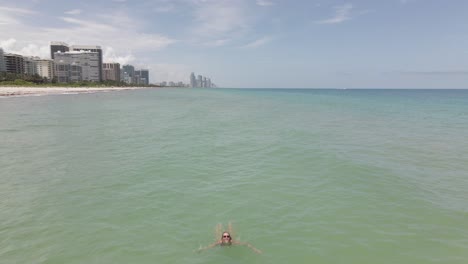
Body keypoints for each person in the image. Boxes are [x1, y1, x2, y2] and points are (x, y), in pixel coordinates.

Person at [197, 231, 262, 254]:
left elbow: (246, 244)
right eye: (224, 236)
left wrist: (255, 250)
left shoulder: (233, 242)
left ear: (229, 238)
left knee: (232, 231)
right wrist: (202, 249)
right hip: (220, 241)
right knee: (217, 233)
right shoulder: (219, 242)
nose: (226, 237)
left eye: (227, 236)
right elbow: (210, 247)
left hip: (231, 242)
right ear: (222, 238)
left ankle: (230, 223)